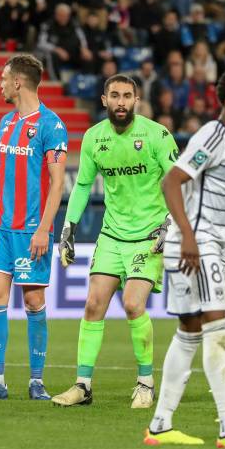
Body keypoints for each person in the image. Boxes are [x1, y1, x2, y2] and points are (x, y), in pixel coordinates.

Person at [144, 67, 225, 449]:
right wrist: (186, 236)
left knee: (188, 333)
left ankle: (160, 425)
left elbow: (217, 193)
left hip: (199, 243)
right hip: (199, 246)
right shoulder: (214, 136)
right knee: (218, 331)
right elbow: (172, 181)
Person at [51, 74, 179, 409]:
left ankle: (145, 383)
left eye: (127, 96)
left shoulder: (156, 134)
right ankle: (83, 385)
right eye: (114, 96)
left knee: (134, 304)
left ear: (137, 100)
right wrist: (68, 228)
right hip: (111, 234)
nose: (121, 102)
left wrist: (171, 223)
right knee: (93, 305)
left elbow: (179, 180)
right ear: (104, 100)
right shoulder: (94, 138)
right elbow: (81, 187)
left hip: (149, 235)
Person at [0, 54, 68, 401]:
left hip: (31, 231)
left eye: (3, 78)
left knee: (33, 301)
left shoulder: (51, 125)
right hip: (0, 227)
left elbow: (58, 183)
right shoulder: (5, 123)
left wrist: (44, 228)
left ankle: (36, 381)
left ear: (18, 82)